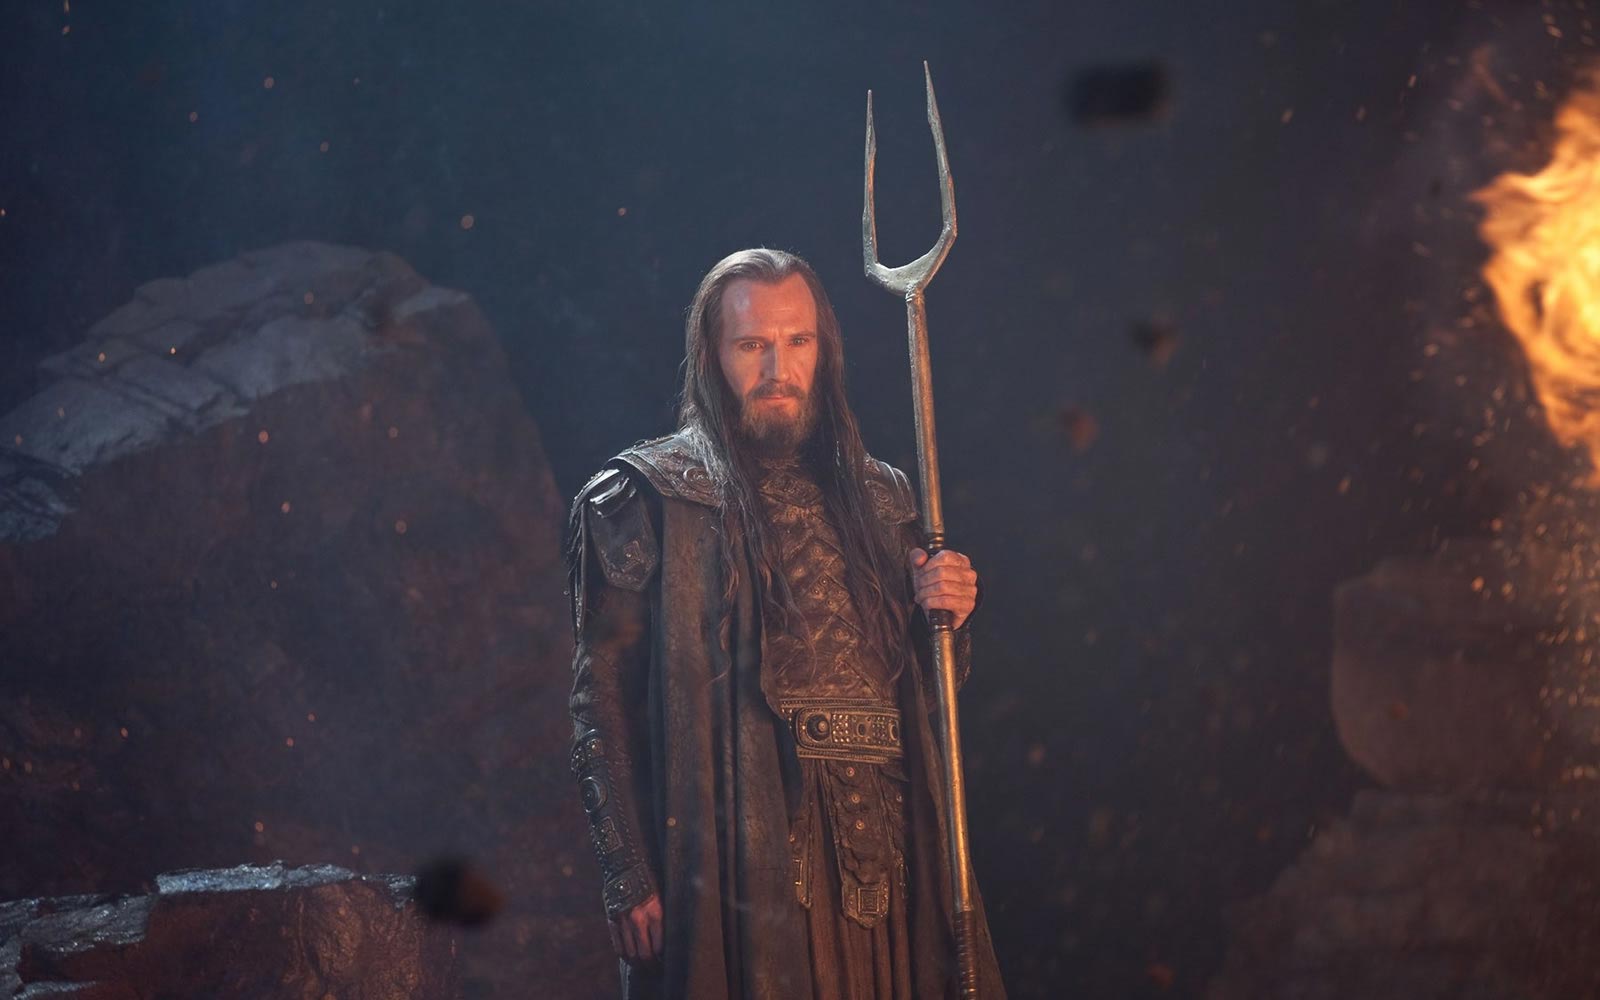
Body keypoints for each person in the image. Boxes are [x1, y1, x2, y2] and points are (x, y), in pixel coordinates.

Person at [566, 248, 1006, 998]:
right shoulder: (647, 496)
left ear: (823, 349)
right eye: (753, 345)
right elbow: (598, 701)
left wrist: (947, 613)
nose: (779, 368)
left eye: (797, 341)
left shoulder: (883, 500)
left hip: (894, 847)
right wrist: (628, 874)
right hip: (743, 844)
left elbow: (928, 695)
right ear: (712, 356)